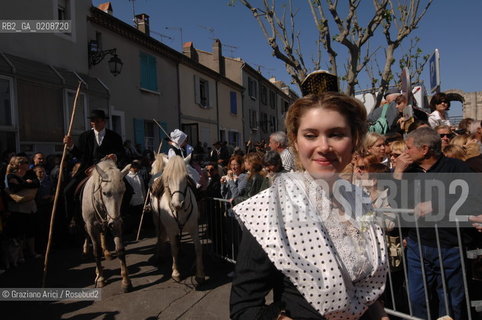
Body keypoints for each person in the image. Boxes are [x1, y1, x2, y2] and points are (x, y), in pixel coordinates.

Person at [230, 93, 388, 320]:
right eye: (311, 135)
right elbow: (243, 308)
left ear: (354, 139)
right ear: (295, 141)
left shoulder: (360, 200)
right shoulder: (268, 210)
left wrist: (379, 313)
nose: (324, 146)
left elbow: (365, 288)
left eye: (336, 134)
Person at [391, 126, 472, 319]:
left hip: (450, 246)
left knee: (451, 301)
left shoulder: (457, 168)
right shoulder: (409, 171)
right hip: (417, 245)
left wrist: (436, 204)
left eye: (409, 148)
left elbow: (473, 199)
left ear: (425, 149)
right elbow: (395, 203)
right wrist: (398, 172)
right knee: (417, 298)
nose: (405, 153)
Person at [63, 109, 126, 227]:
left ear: (103, 122)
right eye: (92, 121)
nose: (94, 123)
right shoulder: (85, 136)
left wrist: (115, 156)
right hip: (88, 168)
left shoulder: (114, 136)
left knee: (129, 189)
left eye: (97, 121)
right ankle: (72, 218)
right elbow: (80, 155)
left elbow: (122, 153)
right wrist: (71, 146)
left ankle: (122, 214)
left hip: (108, 171)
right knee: (67, 191)